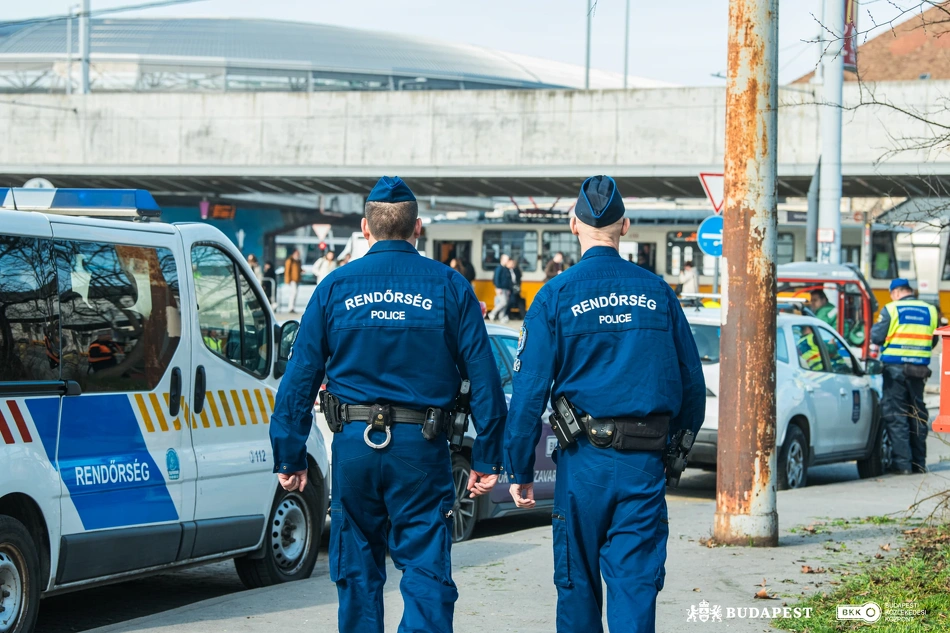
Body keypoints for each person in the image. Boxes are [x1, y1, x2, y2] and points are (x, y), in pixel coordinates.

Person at [269, 176, 507, 633]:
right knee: (424, 570)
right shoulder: (451, 287)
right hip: (422, 447)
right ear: (417, 228)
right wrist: (488, 456)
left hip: (355, 447)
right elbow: (484, 380)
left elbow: (299, 379)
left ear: (365, 228)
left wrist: (290, 454)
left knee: (356, 570)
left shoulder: (335, 287)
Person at [504, 176, 706, 633]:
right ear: (626, 226)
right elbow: (692, 390)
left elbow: (529, 392)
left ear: (574, 224)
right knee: (635, 590)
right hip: (643, 465)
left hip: (583, 465)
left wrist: (517, 470)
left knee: (576, 589)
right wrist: (673, 455)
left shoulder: (555, 295)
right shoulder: (658, 293)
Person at [870, 278, 938, 475]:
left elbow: (876, 337)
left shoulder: (891, 309)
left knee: (896, 415)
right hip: (919, 371)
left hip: (895, 371)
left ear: (896, 292)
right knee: (917, 415)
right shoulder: (930, 310)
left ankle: (903, 465)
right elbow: (932, 341)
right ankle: (918, 464)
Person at [488, 254, 512, 322]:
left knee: (506, 303)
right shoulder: (499, 268)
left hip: (506, 289)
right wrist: (498, 287)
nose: (508, 261)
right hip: (500, 288)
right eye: (506, 260)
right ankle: (492, 313)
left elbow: (508, 279)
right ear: (502, 260)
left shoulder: (506, 269)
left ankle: (501, 317)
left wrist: (509, 289)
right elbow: (496, 278)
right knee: (503, 302)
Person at [283, 249, 302, 314]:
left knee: (295, 294)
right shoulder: (290, 261)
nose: (298, 254)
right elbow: (287, 271)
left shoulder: (298, 261)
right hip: (292, 280)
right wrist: (287, 280)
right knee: (293, 294)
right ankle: (290, 307)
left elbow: (298, 269)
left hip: (297, 280)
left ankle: (293, 307)